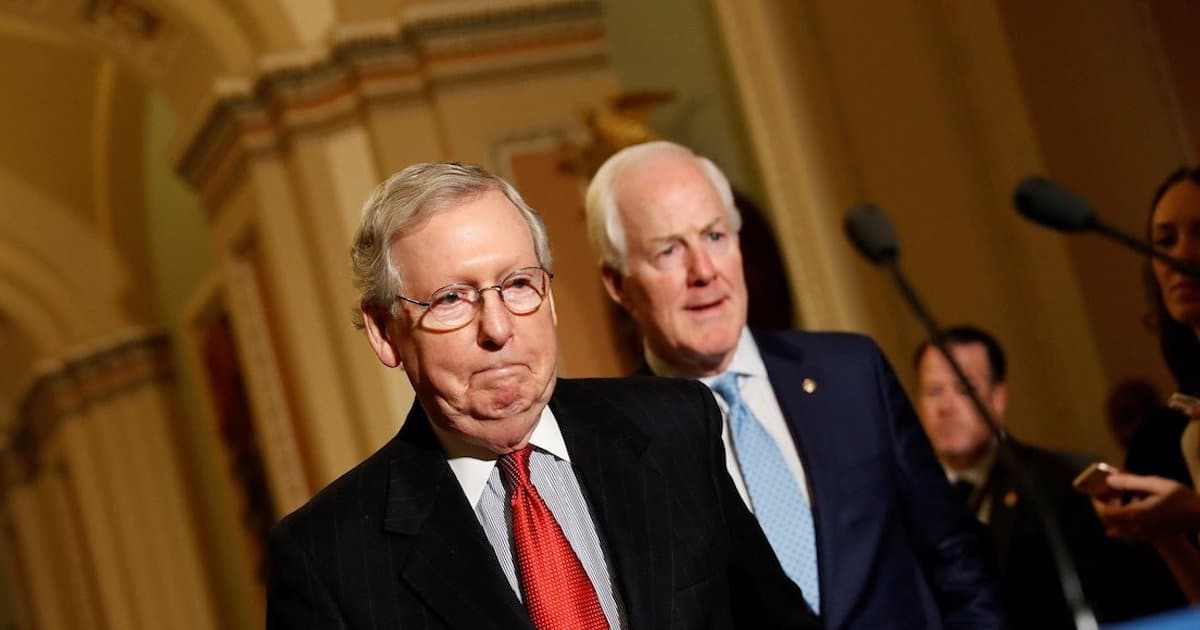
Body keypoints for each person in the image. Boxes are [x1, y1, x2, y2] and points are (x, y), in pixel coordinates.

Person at [265, 162, 819, 629]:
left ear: (549, 298)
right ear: (386, 332)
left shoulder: (674, 426)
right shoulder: (327, 560)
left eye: (518, 285)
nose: (499, 328)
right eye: (452, 299)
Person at [584, 140, 1002, 629]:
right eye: (669, 250)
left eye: (715, 236)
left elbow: (953, 551)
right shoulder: (615, 444)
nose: (704, 271)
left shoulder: (851, 374)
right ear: (618, 283)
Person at [913, 325, 1147, 625]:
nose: (945, 407)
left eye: (965, 389)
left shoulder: (1058, 482)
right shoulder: (907, 502)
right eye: (933, 391)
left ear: (997, 399)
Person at [1094, 166, 1200, 604]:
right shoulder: (1162, 438)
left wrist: (1195, 511)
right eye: (1165, 240)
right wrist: (1164, 536)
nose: (1183, 255)